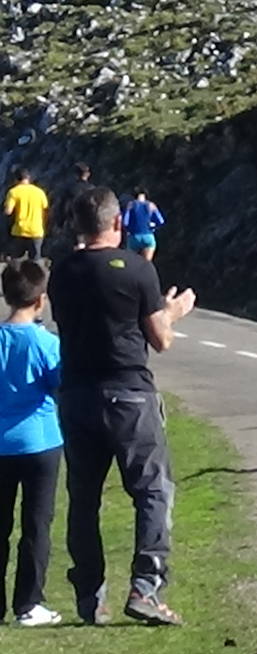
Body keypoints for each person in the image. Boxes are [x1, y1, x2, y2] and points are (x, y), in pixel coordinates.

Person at [48, 187, 197, 626]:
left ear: (78, 225)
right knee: (152, 491)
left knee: (84, 497)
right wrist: (174, 310)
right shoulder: (136, 270)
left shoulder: (62, 273)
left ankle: (90, 594)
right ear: (118, 224)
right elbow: (160, 339)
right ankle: (146, 588)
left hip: (77, 393)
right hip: (130, 392)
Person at [0, 260, 63, 627]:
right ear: (40, 300)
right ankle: (29, 603)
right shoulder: (46, 343)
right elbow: (59, 383)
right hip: (40, 441)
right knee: (36, 525)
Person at [3, 169, 48, 262]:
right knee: (35, 262)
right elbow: (46, 208)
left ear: (16, 179)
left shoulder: (13, 192)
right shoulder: (39, 192)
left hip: (19, 230)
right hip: (36, 230)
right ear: (29, 178)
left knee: (16, 261)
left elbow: (8, 211)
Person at [122, 186, 165, 261]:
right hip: (148, 236)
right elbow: (161, 221)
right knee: (147, 264)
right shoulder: (151, 205)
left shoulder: (131, 205)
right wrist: (153, 226)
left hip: (134, 237)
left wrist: (128, 229)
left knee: (132, 263)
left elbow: (125, 222)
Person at [59, 162, 95, 251]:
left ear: (75, 175)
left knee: (76, 246)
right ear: (88, 175)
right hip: (90, 222)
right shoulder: (92, 189)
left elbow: (63, 206)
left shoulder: (70, 189)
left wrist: (60, 221)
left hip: (74, 222)